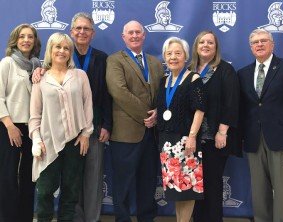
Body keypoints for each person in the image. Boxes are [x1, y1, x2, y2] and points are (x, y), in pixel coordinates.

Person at [29, 32, 93, 221]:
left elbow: (87, 105)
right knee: (44, 192)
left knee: (71, 192)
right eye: (58, 47)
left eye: (66, 48)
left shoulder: (80, 76)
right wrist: (36, 140)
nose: (62, 51)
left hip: (75, 142)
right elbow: (34, 114)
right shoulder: (40, 78)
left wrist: (86, 134)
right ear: (50, 49)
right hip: (48, 144)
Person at [238, 28, 283, 222]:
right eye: (255, 42)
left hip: (281, 136)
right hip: (253, 138)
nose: (259, 44)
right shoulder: (243, 73)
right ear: (250, 47)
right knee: (258, 189)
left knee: (280, 188)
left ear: (272, 44)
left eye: (264, 40)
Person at [106, 20, 164, 222]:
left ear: (144, 35)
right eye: (130, 32)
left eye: (138, 32)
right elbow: (119, 92)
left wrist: (158, 112)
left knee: (148, 182)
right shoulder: (115, 60)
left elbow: (162, 94)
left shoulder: (155, 62)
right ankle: (122, 219)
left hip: (151, 134)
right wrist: (147, 115)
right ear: (123, 37)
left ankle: (146, 218)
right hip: (125, 134)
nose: (134, 35)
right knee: (123, 184)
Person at [190, 31, 240, 222]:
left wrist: (222, 131)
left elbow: (231, 102)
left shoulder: (225, 70)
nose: (205, 45)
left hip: (214, 139)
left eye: (210, 42)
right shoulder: (190, 70)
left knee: (212, 184)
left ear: (216, 47)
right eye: (202, 42)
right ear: (196, 46)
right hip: (192, 140)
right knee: (196, 185)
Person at [156, 37, 206, 222]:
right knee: (176, 190)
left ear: (185, 56)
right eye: (169, 54)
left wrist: (192, 137)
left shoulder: (194, 79)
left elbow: (200, 110)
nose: (173, 57)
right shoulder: (164, 81)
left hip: (186, 141)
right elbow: (165, 107)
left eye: (178, 53)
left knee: (187, 189)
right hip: (166, 143)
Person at [69, 12, 112, 222]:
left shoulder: (102, 58)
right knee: (71, 176)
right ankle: (76, 218)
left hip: (94, 125)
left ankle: (92, 219)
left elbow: (107, 94)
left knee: (94, 176)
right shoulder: (62, 55)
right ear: (71, 32)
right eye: (78, 28)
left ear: (93, 33)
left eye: (86, 28)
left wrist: (106, 124)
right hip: (68, 126)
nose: (82, 32)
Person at [0, 23, 41, 222]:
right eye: (22, 36)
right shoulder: (7, 63)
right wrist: (9, 125)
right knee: (7, 177)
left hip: (32, 129)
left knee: (29, 177)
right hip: (10, 126)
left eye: (30, 37)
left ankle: (25, 217)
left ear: (35, 41)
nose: (26, 40)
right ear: (16, 40)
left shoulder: (38, 66)